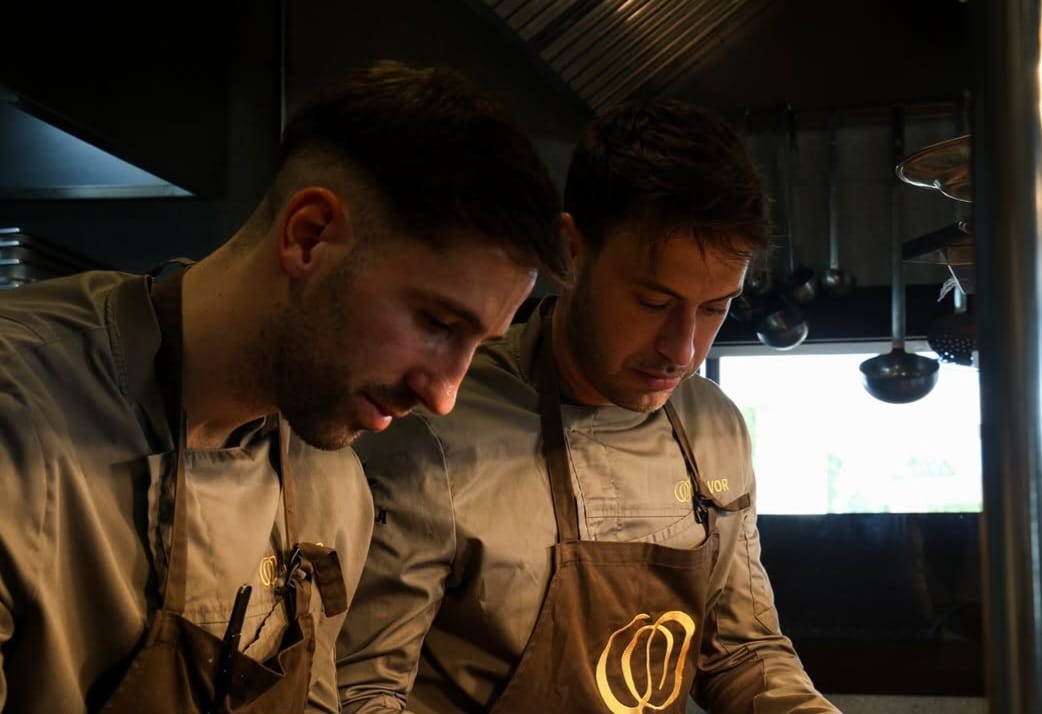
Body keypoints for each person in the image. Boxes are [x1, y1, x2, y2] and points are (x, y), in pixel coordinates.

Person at [0, 60, 568, 714]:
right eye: (437, 323)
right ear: (309, 236)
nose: (444, 395)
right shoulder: (18, 420)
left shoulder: (332, 489)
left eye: (478, 347)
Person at [337, 99, 839, 713]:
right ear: (573, 252)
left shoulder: (714, 430)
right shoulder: (433, 433)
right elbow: (361, 694)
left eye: (715, 308)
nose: (682, 350)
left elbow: (742, 650)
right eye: (653, 303)